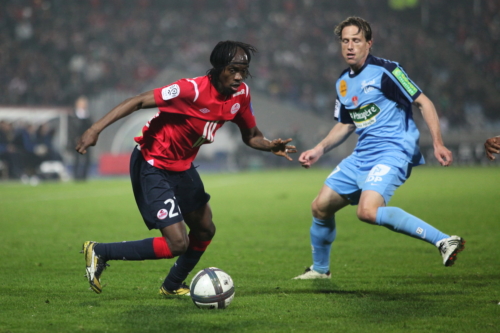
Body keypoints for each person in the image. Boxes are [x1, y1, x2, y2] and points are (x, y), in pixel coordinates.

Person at [76, 41, 297, 295]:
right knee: (177, 243)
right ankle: (101, 251)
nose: (238, 77)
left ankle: (171, 285)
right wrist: (94, 129)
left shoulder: (241, 95)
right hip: (153, 163)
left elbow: (251, 135)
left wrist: (269, 145)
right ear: (218, 68)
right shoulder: (189, 89)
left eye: (243, 71)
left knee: (205, 228)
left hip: (182, 167)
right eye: (233, 70)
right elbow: (138, 101)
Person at [293, 17, 465, 280]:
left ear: (369, 44)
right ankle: (320, 270)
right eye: (345, 41)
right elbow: (345, 124)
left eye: (356, 40)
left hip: (393, 151)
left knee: (367, 211)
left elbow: (424, 103)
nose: (350, 46)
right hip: (362, 155)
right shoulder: (342, 82)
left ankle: (444, 240)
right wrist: (319, 149)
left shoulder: (388, 71)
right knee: (320, 207)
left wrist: (438, 143)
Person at [70, 96, 93, 181]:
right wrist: (75, 138)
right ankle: (76, 176)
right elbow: (72, 129)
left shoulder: (87, 115)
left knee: (87, 159)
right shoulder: (74, 115)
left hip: (86, 140)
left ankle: (84, 176)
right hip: (77, 140)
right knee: (77, 159)